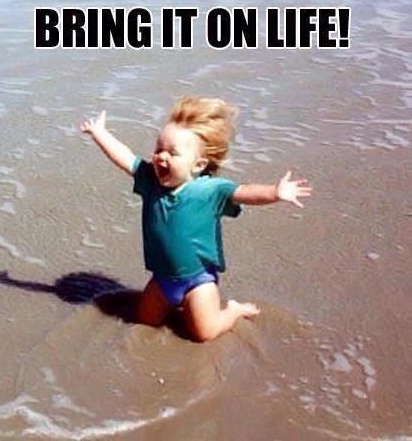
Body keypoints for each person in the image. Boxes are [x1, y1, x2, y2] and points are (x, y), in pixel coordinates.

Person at [80, 97, 312, 342]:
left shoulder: (210, 190)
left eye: (172, 153)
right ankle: (177, 306)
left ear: (199, 164)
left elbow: (243, 192)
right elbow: (126, 158)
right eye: (158, 149)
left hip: (198, 281)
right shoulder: (151, 181)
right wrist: (100, 133)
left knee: (203, 334)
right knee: (145, 320)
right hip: (163, 278)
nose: (161, 157)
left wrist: (275, 193)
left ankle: (233, 311)